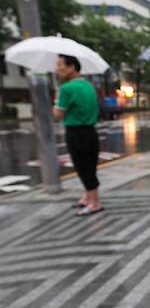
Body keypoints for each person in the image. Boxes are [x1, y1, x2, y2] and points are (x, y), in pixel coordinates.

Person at [52, 54, 103, 216]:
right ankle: (88, 197)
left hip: (76, 132)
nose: (57, 69)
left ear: (72, 67)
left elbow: (58, 115)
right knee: (90, 165)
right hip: (91, 131)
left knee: (82, 167)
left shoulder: (66, 89)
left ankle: (94, 202)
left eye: (60, 65)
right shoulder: (89, 86)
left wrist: (57, 99)